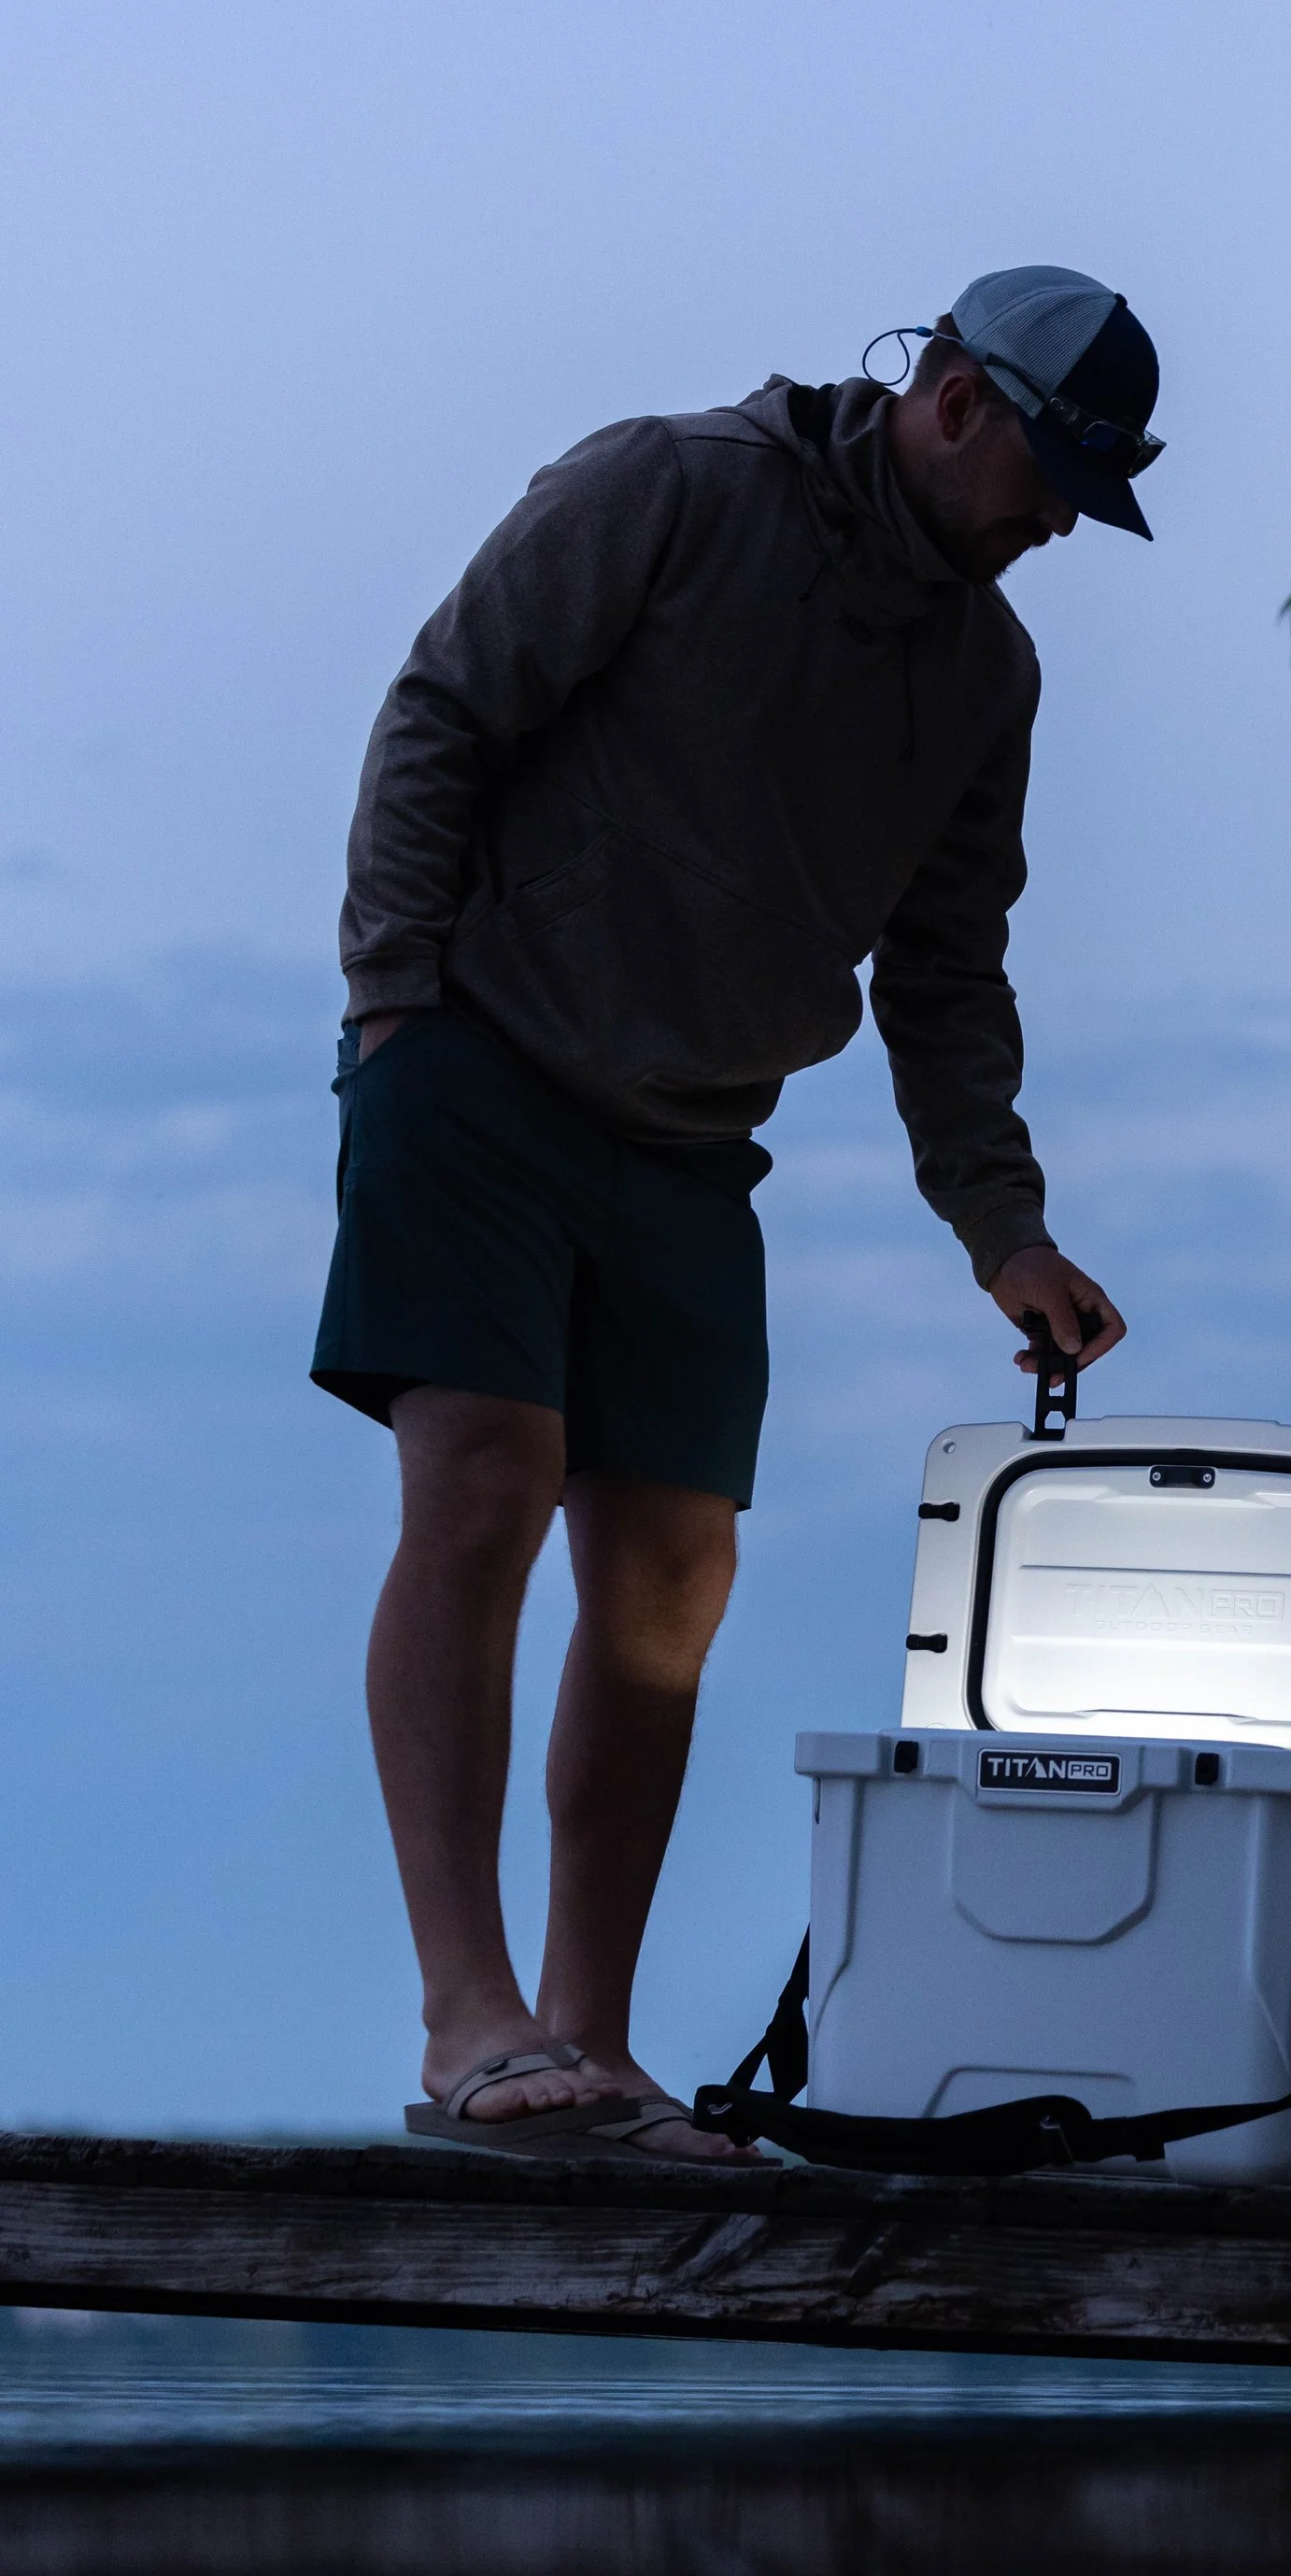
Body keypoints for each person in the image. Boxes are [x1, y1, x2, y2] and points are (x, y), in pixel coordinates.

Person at [313, 265, 1152, 2160]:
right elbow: (443, 711)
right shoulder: (672, 487)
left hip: (693, 1137)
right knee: (482, 1480)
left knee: (677, 1571)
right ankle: (472, 2018)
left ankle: (587, 2043)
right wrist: (391, 1008)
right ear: (950, 398)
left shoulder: (984, 671)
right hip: (478, 1058)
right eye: (1044, 481)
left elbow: (945, 968)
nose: (1048, 534)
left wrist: (998, 1226)